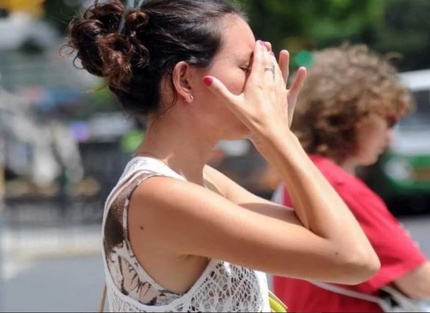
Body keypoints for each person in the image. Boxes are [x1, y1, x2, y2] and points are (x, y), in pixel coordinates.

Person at [66, 1, 380, 312]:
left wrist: (273, 135)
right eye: (247, 67)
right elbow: (354, 260)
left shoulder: (205, 182)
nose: (263, 82)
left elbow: (318, 231)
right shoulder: (161, 196)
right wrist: (280, 137)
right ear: (185, 80)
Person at [272, 44, 430, 312]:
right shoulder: (338, 187)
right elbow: (419, 281)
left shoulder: (300, 175)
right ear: (355, 117)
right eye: (388, 120)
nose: (390, 137)